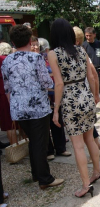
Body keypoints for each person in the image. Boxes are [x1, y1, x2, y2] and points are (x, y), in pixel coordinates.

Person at [1, 24, 64, 189]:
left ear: (13, 41)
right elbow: (46, 82)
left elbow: (7, 87)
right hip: (37, 108)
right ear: (30, 40)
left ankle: (37, 174)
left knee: (33, 141)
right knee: (40, 144)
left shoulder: (7, 60)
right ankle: (45, 178)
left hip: (18, 108)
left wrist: (12, 105)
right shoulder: (35, 58)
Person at [48, 18, 100, 198]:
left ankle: (85, 185)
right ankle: (97, 172)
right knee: (90, 138)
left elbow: (59, 84)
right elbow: (92, 77)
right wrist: (95, 95)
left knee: (78, 146)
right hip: (86, 96)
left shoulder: (53, 54)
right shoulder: (81, 49)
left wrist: (56, 110)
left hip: (70, 101)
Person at [73, 26, 100, 161]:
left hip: (81, 94)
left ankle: (95, 152)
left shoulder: (79, 52)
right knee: (89, 124)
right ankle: (97, 145)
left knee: (85, 128)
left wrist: (95, 93)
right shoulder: (80, 51)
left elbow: (93, 75)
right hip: (85, 94)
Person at [38, 38, 72, 161]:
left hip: (54, 94)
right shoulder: (36, 60)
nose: (38, 49)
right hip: (43, 96)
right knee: (45, 124)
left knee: (57, 121)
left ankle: (61, 147)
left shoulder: (50, 57)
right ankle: (49, 150)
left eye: (38, 46)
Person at [0, 42, 14, 147]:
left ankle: (13, 147)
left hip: (2, 92)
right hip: (9, 91)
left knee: (8, 122)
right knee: (12, 122)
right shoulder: (8, 60)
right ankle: (17, 146)